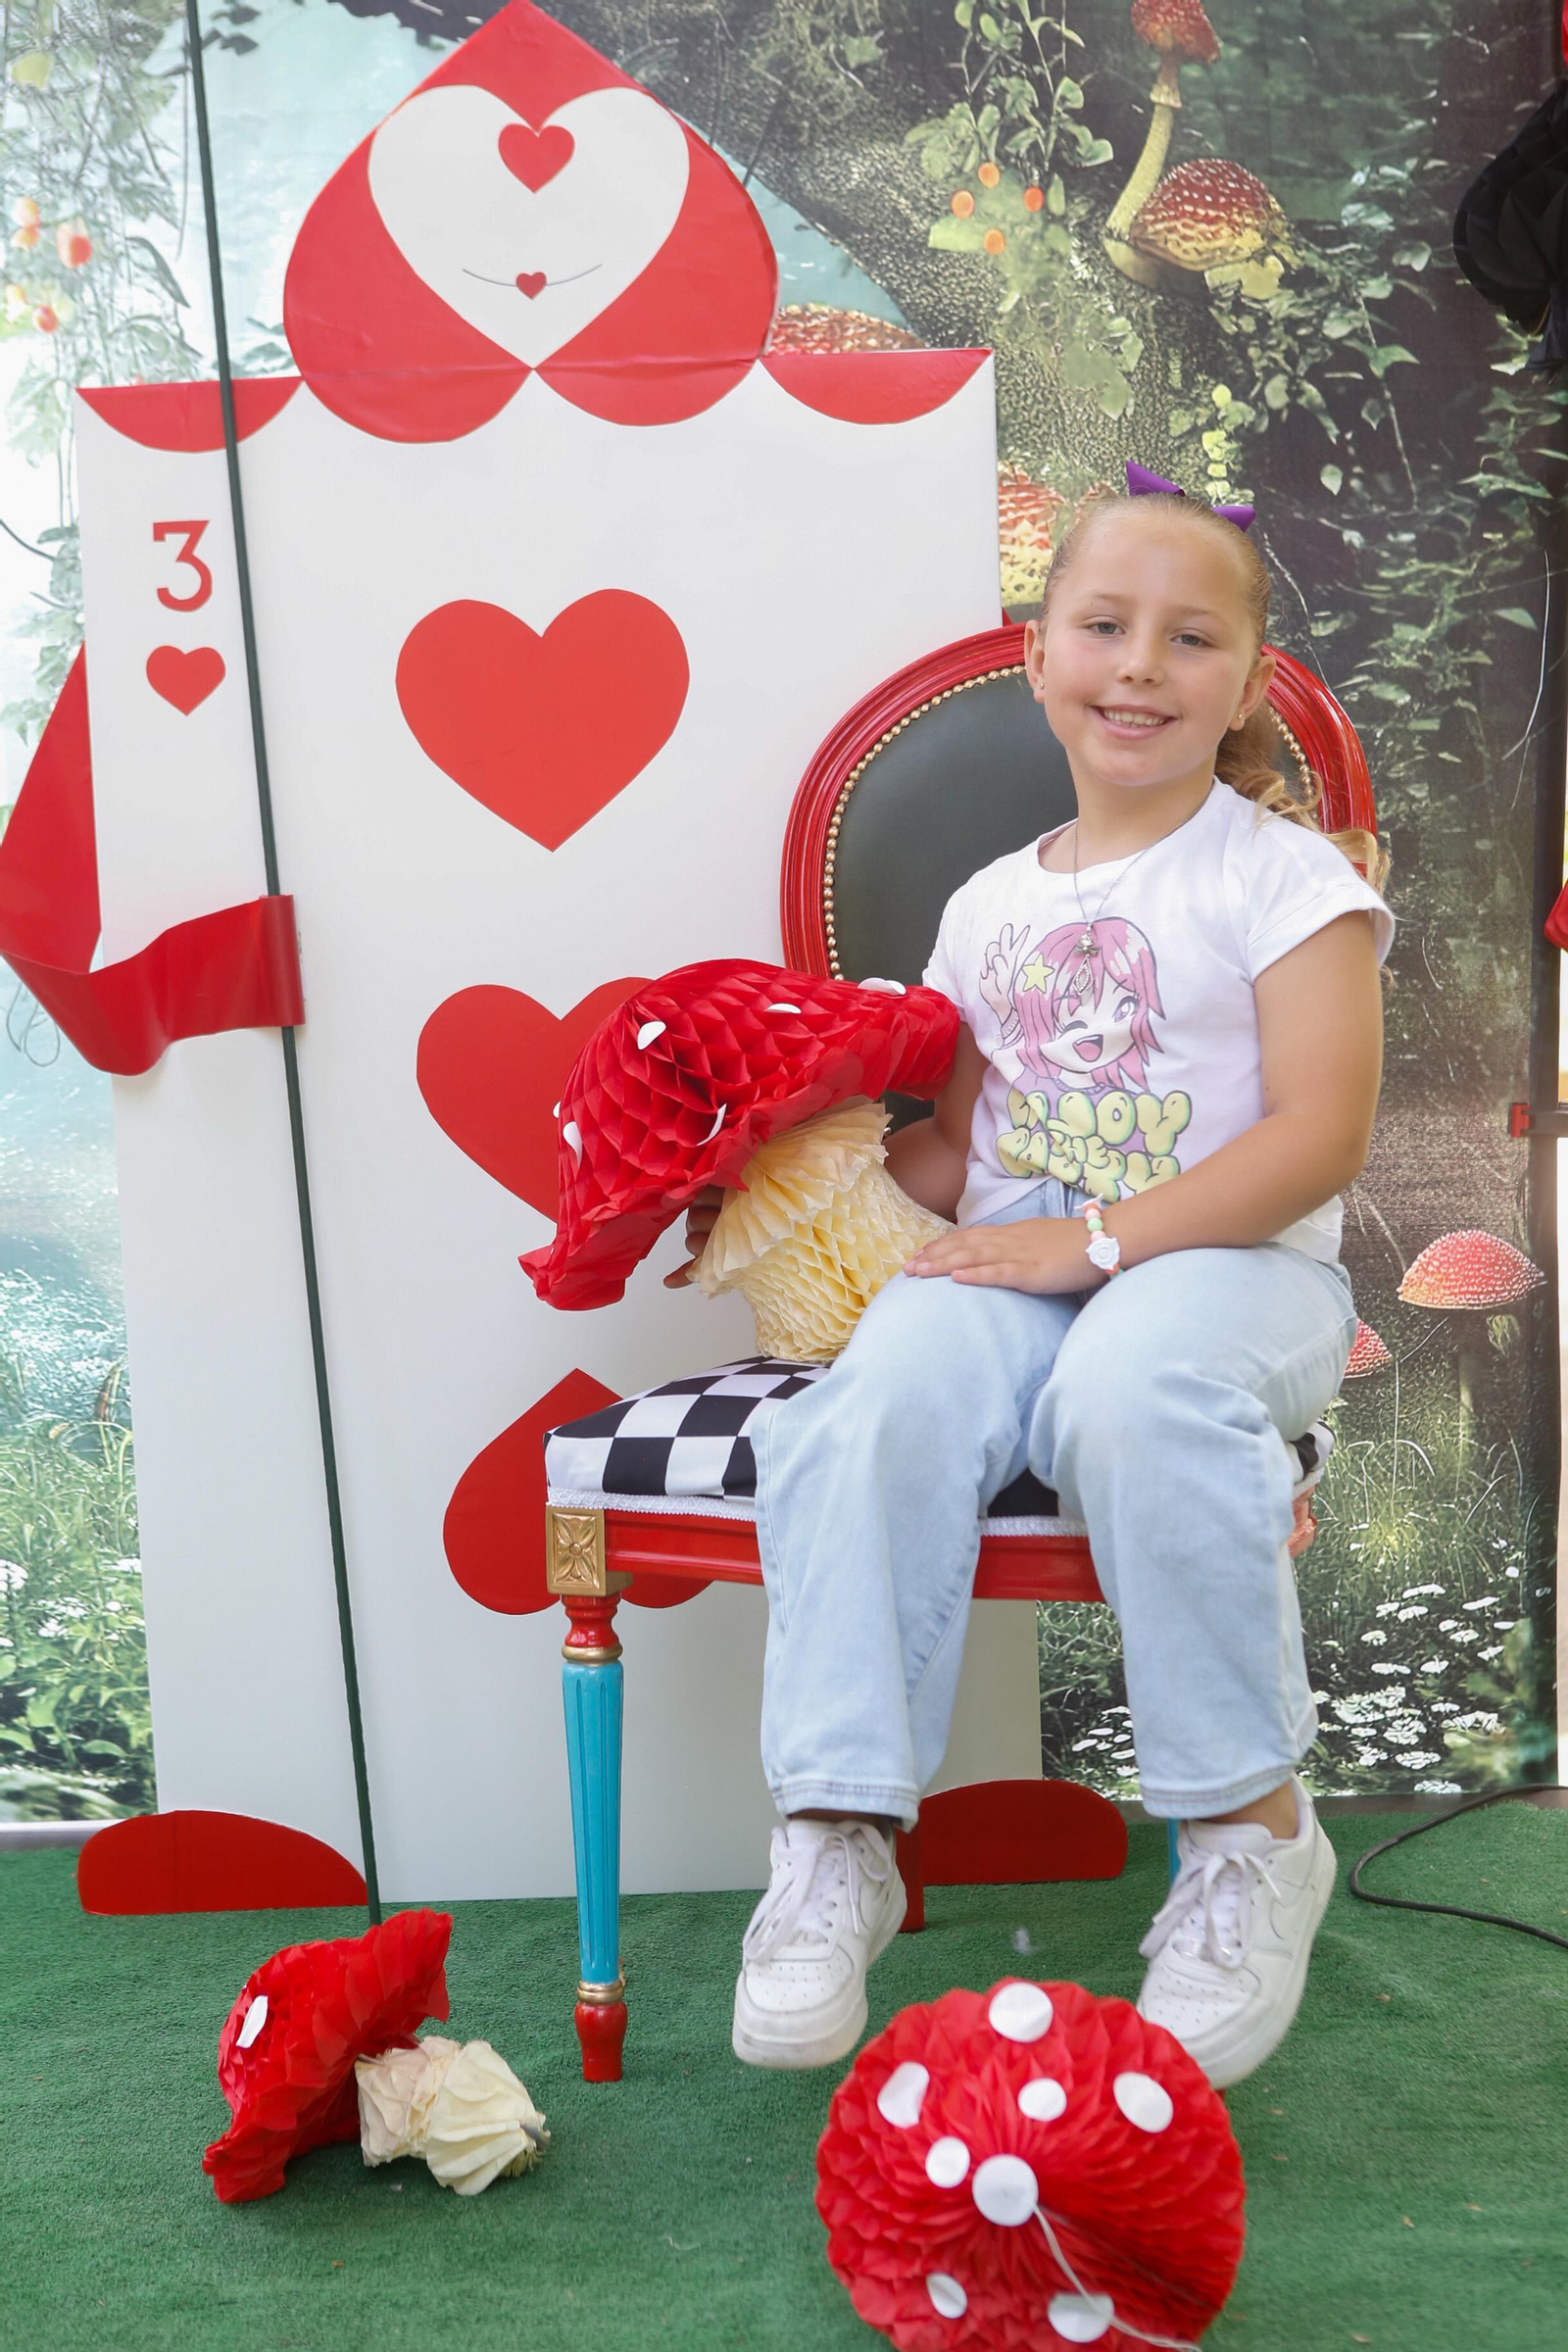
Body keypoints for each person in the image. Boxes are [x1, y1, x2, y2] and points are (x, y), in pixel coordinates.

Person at [669, 479, 1393, 2087]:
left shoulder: (1287, 883)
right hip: (1015, 1263)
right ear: (1040, 654)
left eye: (1191, 639)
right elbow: (956, 1148)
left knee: (1132, 1385)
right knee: (878, 1405)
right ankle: (839, 1829)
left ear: (1247, 675)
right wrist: (780, 1176)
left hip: (1228, 1273)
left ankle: (1251, 1841)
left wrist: (1100, 1244)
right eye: (1106, 627)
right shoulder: (989, 904)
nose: (1142, 667)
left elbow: (1322, 1135)